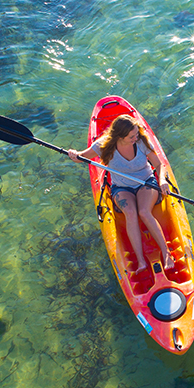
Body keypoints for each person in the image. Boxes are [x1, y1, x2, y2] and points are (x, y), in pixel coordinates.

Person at [71, 115, 174, 272]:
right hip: (122, 187)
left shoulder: (141, 141)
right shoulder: (104, 145)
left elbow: (159, 165)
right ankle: (141, 261)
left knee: (144, 212)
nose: (135, 137)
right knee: (130, 213)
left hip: (145, 182)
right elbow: (81, 157)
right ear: (119, 137)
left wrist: (162, 181)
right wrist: (73, 154)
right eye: (131, 136)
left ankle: (166, 254)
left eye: (136, 134)